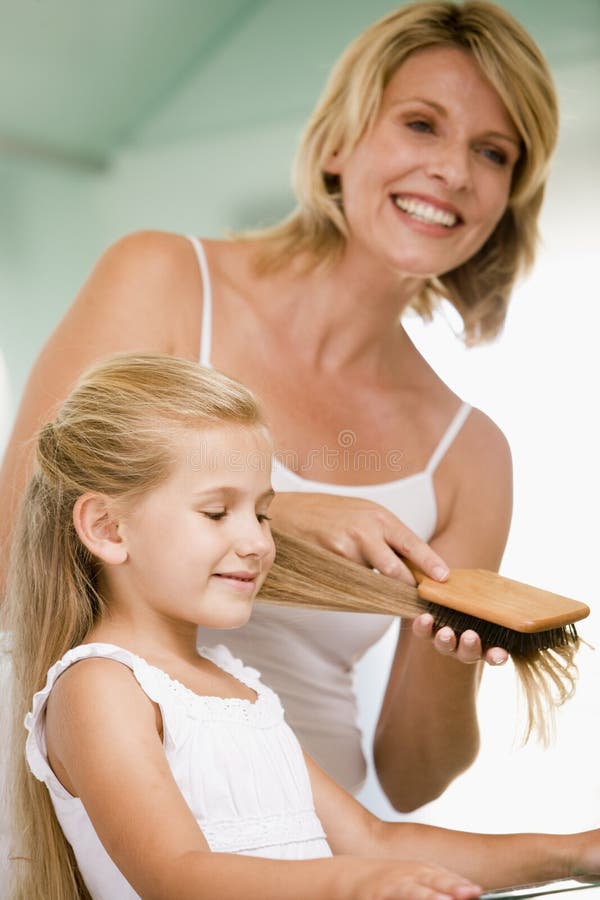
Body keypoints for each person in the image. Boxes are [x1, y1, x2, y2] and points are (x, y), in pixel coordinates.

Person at [0, 1, 560, 809]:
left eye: (492, 151)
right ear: (338, 144)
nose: (454, 171)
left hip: (311, 845)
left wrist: (453, 646)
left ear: (506, 196)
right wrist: (275, 514)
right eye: (421, 124)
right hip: (94, 822)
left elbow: (411, 778)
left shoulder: (471, 455)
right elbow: (19, 540)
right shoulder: (162, 281)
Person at [4, 353, 600, 900]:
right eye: (217, 512)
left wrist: (571, 853)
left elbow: (376, 842)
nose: (258, 542)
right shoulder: (100, 687)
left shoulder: (240, 690)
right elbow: (178, 875)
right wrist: (355, 885)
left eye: (263, 513)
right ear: (108, 528)